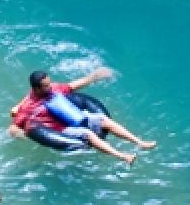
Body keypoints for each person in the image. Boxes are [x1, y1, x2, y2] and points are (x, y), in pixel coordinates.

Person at [9, 67, 157, 165]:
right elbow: (14, 127)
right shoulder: (29, 107)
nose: (50, 86)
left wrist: (95, 76)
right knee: (88, 134)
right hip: (61, 130)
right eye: (46, 85)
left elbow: (74, 85)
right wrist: (27, 136)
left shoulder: (54, 89)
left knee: (104, 120)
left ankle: (140, 142)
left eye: (50, 82)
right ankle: (123, 156)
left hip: (74, 117)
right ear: (36, 88)